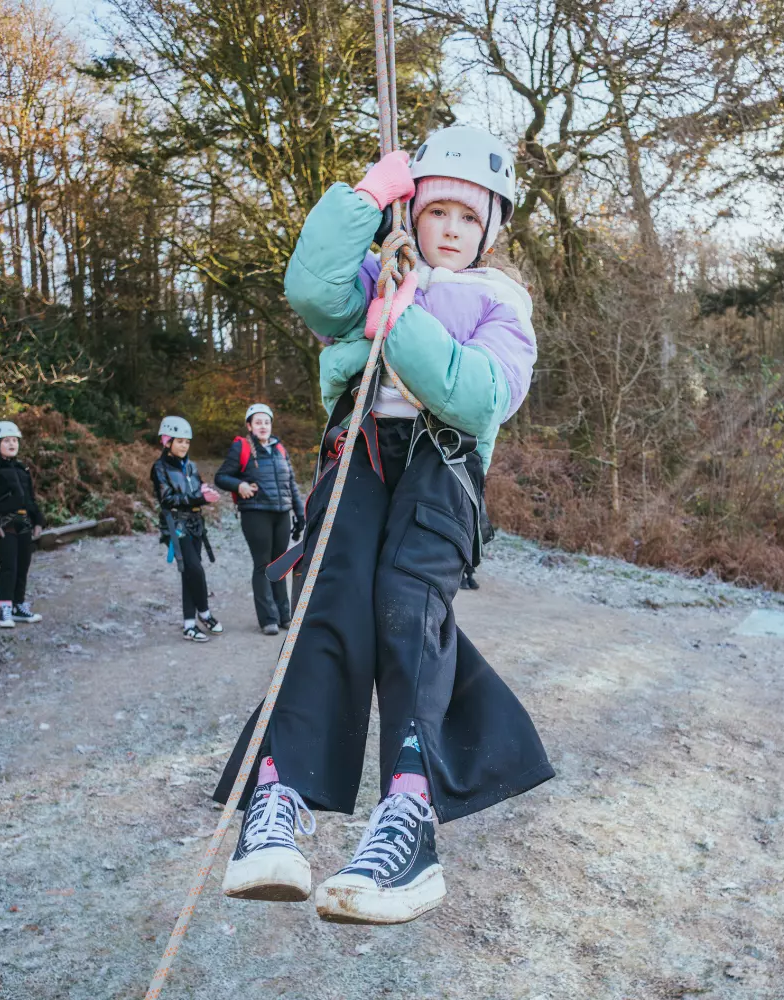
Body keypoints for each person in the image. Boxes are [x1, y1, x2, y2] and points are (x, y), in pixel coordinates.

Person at [214, 125, 553, 924]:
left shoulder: (503, 303)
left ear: (489, 231)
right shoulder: (375, 269)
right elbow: (309, 291)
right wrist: (364, 200)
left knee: (407, 606)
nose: (450, 230)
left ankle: (408, 812)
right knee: (327, 597)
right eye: (436, 210)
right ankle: (280, 797)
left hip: (442, 468)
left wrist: (397, 321)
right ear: (413, 212)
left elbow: (475, 396)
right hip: (360, 446)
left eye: (469, 220)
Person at [214, 403, 305, 636]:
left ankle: (285, 615)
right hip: (255, 513)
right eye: (258, 422)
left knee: (280, 565)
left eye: (266, 422)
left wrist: (300, 513)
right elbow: (221, 476)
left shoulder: (279, 449)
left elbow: (291, 483)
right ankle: (268, 619)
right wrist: (240, 484)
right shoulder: (241, 447)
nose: (263, 426)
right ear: (249, 426)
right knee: (263, 565)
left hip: (281, 513)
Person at [150, 416, 224, 642]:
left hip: (195, 525)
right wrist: (199, 497)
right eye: (179, 441)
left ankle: (189, 624)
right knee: (195, 569)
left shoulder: (191, 466)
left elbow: (196, 490)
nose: (184, 445)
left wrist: (205, 493)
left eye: (187, 442)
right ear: (167, 441)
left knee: (189, 574)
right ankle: (205, 613)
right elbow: (168, 499)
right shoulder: (159, 468)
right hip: (176, 526)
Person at [0, 420, 46, 629]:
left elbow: (29, 498)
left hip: (23, 521)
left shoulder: (22, 468)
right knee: (9, 566)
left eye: (15, 440)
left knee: (23, 564)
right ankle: (5, 608)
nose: (12, 444)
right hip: (2, 523)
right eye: (7, 440)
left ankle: (18, 606)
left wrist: (38, 521)